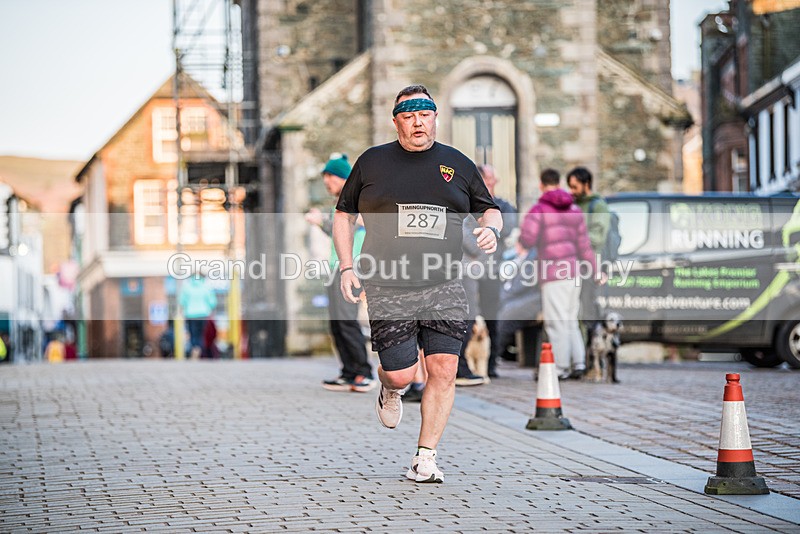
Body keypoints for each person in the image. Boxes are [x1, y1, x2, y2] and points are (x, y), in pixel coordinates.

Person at [333, 84, 502, 483]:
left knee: (444, 369)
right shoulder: (372, 163)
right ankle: (389, 387)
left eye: (423, 114)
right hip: (388, 285)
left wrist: (491, 230)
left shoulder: (457, 164)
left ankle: (425, 457)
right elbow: (343, 215)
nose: (417, 122)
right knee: (402, 374)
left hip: (444, 284)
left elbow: (488, 209)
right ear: (396, 122)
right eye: (408, 116)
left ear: (435, 118)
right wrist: (346, 266)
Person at [518, 168, 598, 380]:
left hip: (553, 274)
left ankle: (561, 367)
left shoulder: (539, 209)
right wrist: (596, 271)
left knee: (556, 322)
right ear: (559, 182)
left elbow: (527, 239)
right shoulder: (574, 209)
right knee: (571, 319)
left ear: (541, 184)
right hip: (574, 274)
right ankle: (578, 362)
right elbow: (585, 246)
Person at [305, 154, 375, 393]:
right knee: (337, 324)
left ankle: (364, 373)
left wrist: (320, 221)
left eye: (330, 176)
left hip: (353, 269)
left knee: (347, 321)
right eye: (325, 176)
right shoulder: (340, 202)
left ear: (343, 178)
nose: (326, 181)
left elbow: (352, 227)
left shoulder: (356, 199)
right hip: (336, 269)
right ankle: (348, 372)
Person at [567, 166, 610, 328]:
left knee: (587, 311)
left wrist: (573, 236)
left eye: (575, 187)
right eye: (570, 187)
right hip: (573, 264)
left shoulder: (598, 206)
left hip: (590, 264)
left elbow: (598, 238)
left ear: (587, 184)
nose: (572, 191)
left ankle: (589, 350)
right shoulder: (572, 204)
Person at [179, 271, 217, 360]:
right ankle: (198, 352)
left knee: (193, 334)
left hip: (190, 314)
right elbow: (212, 302)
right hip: (203, 314)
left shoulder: (186, 287)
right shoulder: (206, 286)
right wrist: (210, 310)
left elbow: (182, 301)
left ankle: (194, 351)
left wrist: (182, 312)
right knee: (200, 335)